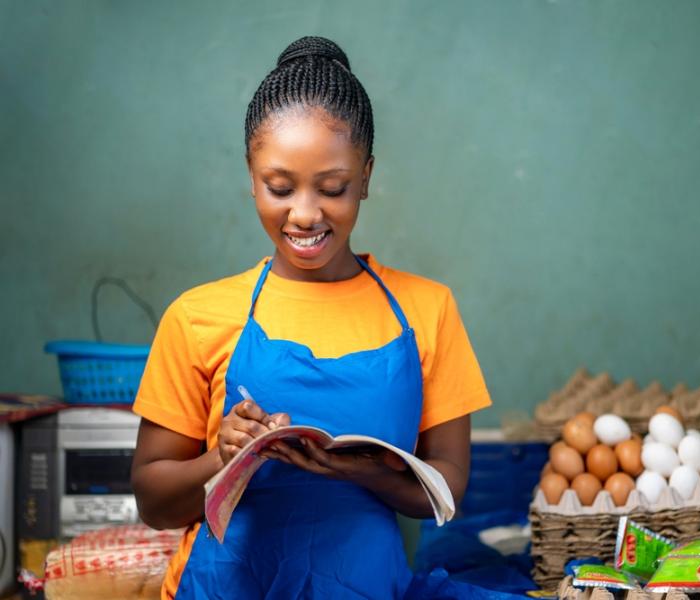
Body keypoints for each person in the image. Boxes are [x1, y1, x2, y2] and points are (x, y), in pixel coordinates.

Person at [130, 35, 492, 599]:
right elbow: (153, 502)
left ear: (366, 178)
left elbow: (447, 491)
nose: (304, 213)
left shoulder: (428, 310)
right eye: (279, 187)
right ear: (251, 177)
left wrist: (364, 471)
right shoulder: (196, 316)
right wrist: (219, 458)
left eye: (333, 188)